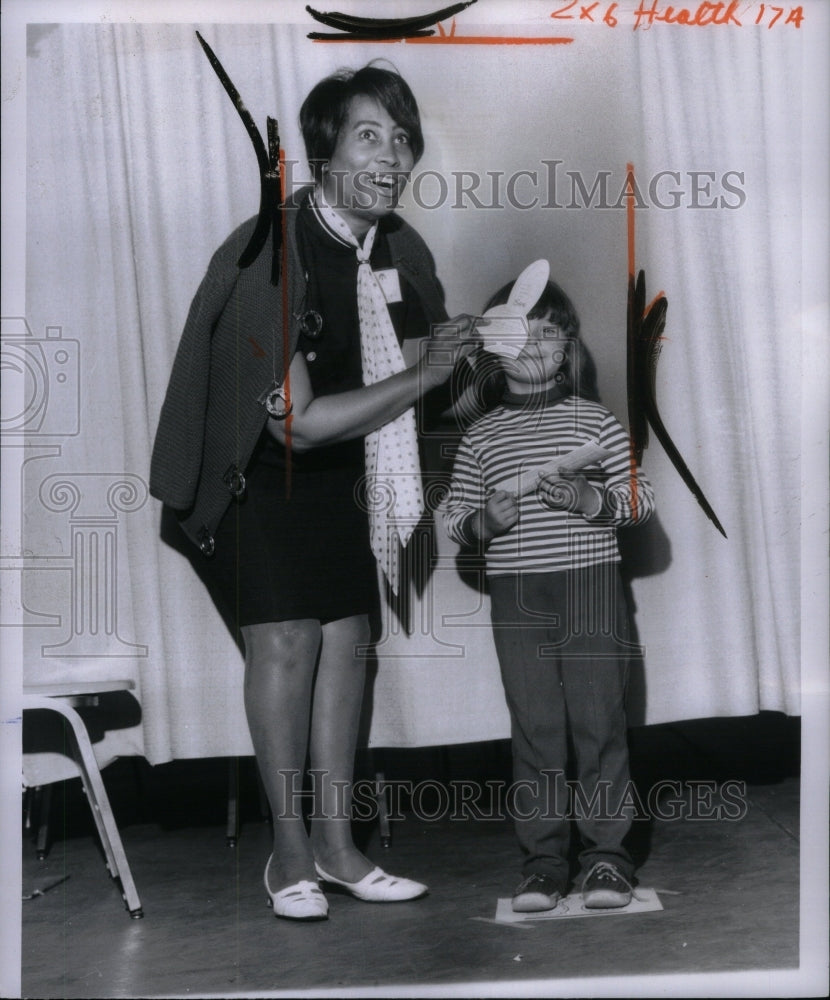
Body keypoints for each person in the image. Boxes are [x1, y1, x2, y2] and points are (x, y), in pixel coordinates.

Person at [150, 64, 475, 921]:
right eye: (370, 134)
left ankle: (338, 848)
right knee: (290, 640)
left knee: (349, 639)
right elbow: (293, 421)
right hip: (251, 476)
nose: (392, 154)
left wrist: (475, 358)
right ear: (323, 151)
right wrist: (424, 374)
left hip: (343, 476)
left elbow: (419, 374)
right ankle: (287, 852)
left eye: (403, 139)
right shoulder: (274, 245)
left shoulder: (400, 246)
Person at [443, 276, 655, 912]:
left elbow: (641, 500)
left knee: (599, 721)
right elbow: (454, 515)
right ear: (492, 347)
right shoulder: (479, 436)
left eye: (550, 330)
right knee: (536, 727)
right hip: (516, 593)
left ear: (568, 349)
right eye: (519, 329)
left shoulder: (595, 420)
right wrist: (484, 523)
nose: (536, 343)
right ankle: (542, 864)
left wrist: (592, 500)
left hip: (590, 584)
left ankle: (608, 862)